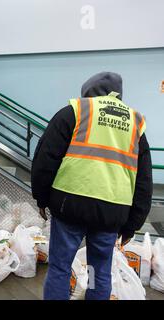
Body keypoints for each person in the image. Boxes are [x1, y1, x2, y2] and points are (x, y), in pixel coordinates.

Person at [31, 72, 153, 300]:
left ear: (88, 92)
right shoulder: (135, 124)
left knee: (60, 268)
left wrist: (41, 198)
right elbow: (144, 181)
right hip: (111, 212)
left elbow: (45, 158)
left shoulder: (76, 111)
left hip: (70, 206)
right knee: (99, 271)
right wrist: (132, 225)